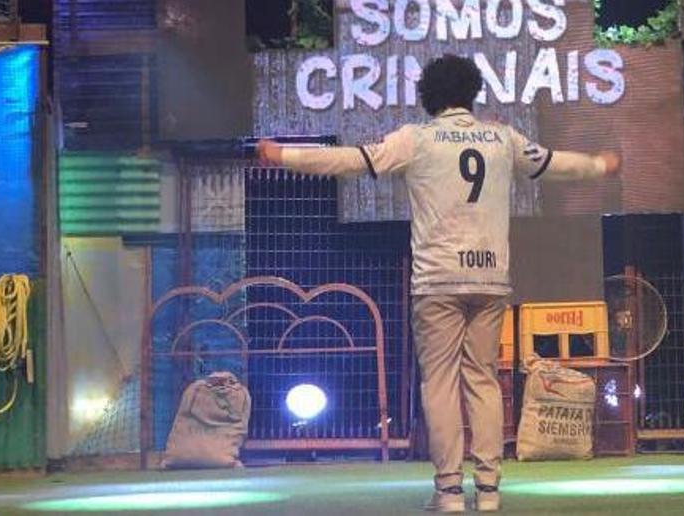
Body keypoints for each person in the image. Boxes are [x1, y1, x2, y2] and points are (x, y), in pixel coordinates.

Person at [258, 54, 620, 513]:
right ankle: (489, 491)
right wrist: (600, 165)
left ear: (429, 95)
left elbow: (351, 160)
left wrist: (283, 154)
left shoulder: (419, 139)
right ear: (471, 92)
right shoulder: (501, 136)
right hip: (490, 278)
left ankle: (449, 492)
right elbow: (552, 164)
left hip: (437, 282)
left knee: (441, 385)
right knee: (483, 381)